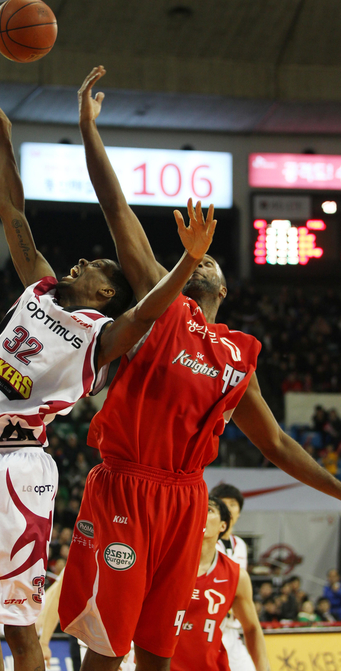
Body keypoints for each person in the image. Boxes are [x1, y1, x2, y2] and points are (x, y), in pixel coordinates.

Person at [59, 65, 341, 671]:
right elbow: (116, 208)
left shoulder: (240, 354)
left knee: (161, 653)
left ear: (226, 288)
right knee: (107, 648)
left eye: (210, 256)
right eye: (194, 256)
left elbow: (279, 445)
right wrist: (88, 126)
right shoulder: (163, 307)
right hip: (127, 486)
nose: (203, 258)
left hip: (187, 500)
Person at [0, 75, 217, 671]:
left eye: (94, 264)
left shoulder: (100, 337)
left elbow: (150, 310)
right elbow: (12, 210)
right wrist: (6, 134)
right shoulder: (39, 288)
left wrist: (188, 262)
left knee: (21, 632)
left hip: (18, 473)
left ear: (105, 291)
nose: (81, 260)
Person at [170, 498, 269, 671]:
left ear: (223, 526)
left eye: (208, 510)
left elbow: (252, 628)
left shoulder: (237, 576)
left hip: (210, 665)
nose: (200, 513)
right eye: (197, 509)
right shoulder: (164, 563)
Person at [210, 484, 255, 671]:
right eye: (224, 504)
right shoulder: (206, 542)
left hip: (233, 627)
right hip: (211, 624)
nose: (229, 508)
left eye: (233, 504)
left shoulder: (241, 545)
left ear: (240, 511)